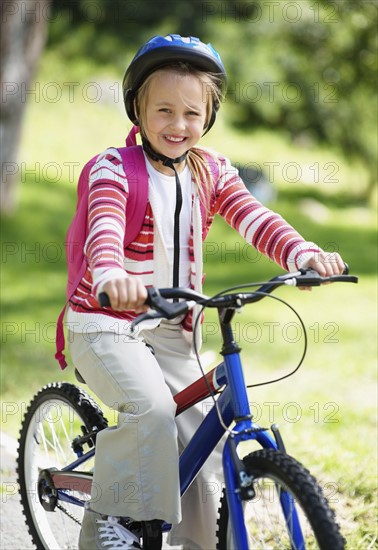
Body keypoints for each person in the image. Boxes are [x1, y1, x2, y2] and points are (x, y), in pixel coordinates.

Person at [67, 34, 345, 550]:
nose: (178, 125)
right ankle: (108, 524)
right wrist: (111, 276)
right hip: (106, 320)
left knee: (205, 437)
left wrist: (303, 255)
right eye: (164, 110)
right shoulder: (113, 168)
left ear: (209, 116)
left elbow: (254, 217)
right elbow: (102, 227)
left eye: (192, 113)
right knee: (150, 409)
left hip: (175, 325)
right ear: (138, 110)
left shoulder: (211, 170)